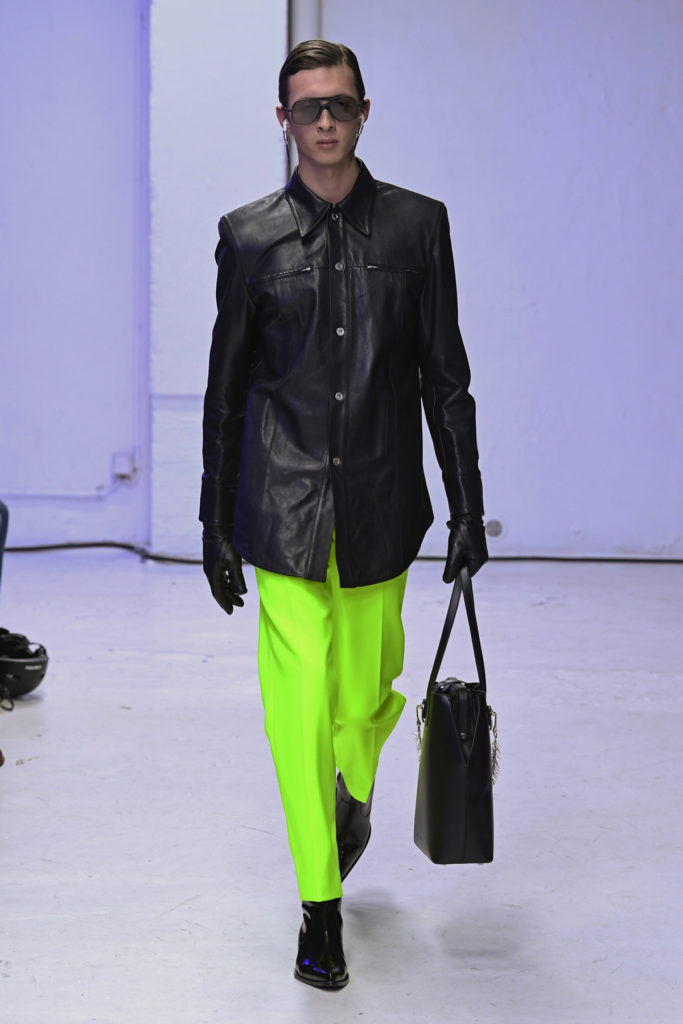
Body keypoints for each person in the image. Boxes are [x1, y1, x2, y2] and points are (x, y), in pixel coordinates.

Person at [200, 39, 488, 990]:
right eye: (307, 107)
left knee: (364, 695)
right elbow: (226, 389)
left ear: (364, 112)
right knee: (295, 711)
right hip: (279, 506)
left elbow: (444, 377)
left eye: (340, 105)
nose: (324, 121)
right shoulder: (249, 236)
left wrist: (467, 506)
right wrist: (213, 522)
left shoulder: (416, 227)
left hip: (378, 501)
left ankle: (353, 791)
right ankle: (318, 908)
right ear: (282, 120)